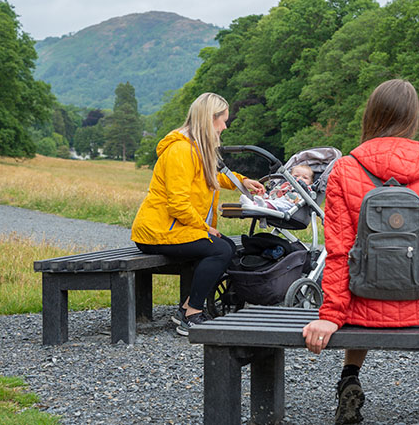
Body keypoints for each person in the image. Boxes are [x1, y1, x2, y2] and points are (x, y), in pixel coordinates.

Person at [301, 79, 419, 424]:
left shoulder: (346, 169)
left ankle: (349, 378)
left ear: (371, 115)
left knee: (363, 291)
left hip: (367, 299)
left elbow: (338, 250)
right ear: (413, 118)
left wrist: (331, 315)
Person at [131, 92, 264, 336]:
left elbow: (210, 178)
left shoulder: (195, 149)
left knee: (227, 246)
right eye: (222, 120)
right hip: (158, 231)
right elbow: (178, 203)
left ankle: (186, 308)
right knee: (220, 248)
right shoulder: (180, 151)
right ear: (208, 119)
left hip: (173, 229)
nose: (224, 126)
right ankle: (192, 314)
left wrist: (243, 182)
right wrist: (203, 229)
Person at [239, 164, 314, 211]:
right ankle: (255, 202)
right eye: (296, 176)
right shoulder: (285, 185)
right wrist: (264, 194)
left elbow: (296, 198)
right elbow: (276, 193)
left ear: (311, 183)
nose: (299, 179)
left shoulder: (308, 188)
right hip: (278, 199)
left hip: (290, 204)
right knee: (268, 196)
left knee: (281, 202)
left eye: (305, 177)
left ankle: (262, 205)